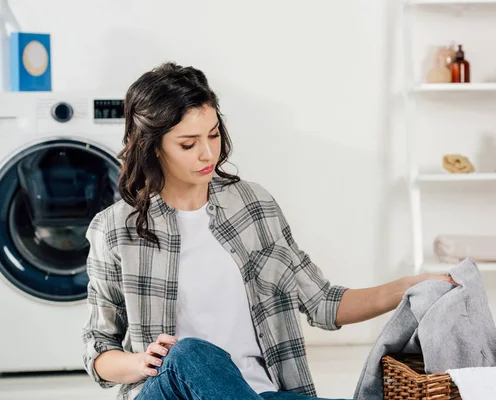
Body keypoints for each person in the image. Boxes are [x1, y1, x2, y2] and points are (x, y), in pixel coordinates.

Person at [82, 62, 454, 400]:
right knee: (189, 353)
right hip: (169, 392)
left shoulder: (252, 205)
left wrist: (407, 286)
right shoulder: (115, 229)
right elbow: (98, 349)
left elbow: (323, 302)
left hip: (258, 393)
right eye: (188, 144)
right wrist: (141, 363)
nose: (208, 154)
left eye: (213, 135)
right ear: (154, 148)